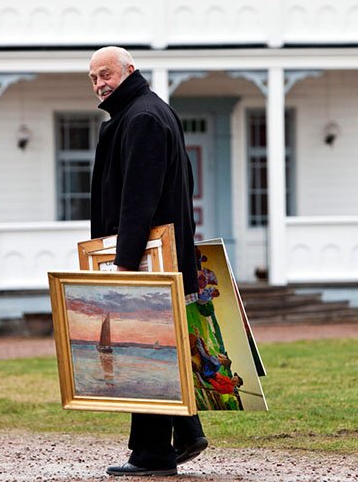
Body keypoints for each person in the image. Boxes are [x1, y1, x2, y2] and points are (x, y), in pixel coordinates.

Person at [88, 46, 208, 477]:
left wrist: (123, 264)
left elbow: (139, 198)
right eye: (93, 78)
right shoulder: (149, 111)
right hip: (160, 256)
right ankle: (187, 431)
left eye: (106, 74)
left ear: (130, 70)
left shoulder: (141, 118)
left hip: (147, 260)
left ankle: (152, 454)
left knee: (143, 350)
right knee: (157, 347)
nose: (100, 84)